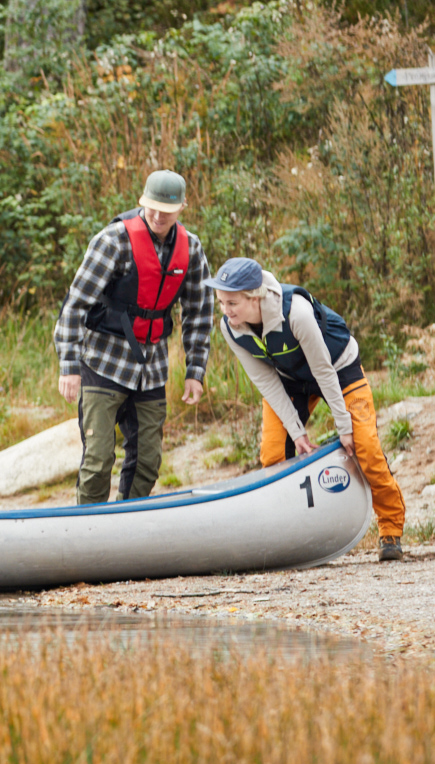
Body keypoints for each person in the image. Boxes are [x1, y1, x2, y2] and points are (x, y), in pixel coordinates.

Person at [205, 255, 411, 561]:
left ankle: (390, 528)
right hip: (290, 380)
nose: (225, 311)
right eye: (221, 302)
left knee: (365, 445)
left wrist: (344, 427)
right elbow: (265, 381)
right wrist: (297, 432)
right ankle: (288, 532)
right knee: (273, 455)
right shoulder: (230, 327)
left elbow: (324, 371)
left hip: (338, 368)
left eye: (232, 303)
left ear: (254, 297)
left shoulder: (296, 313)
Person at [53, 170, 211, 502]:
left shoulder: (191, 248)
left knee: (148, 463)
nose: (158, 216)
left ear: (183, 207)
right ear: (142, 201)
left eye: (167, 211)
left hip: (151, 367)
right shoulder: (113, 240)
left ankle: (127, 516)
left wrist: (195, 371)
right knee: (98, 461)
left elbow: (199, 312)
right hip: (103, 362)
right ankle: (89, 524)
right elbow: (76, 303)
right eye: (152, 207)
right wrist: (69, 366)